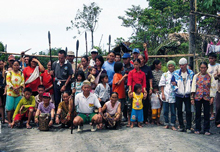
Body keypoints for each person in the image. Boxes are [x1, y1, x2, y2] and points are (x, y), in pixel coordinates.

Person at [191, 62, 216, 135]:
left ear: (207, 68)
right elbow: (193, 86)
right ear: (199, 68)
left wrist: (212, 97)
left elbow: (212, 87)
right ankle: (197, 128)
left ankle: (206, 129)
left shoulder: (210, 76)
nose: (203, 69)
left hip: (206, 96)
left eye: (204, 67)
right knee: (198, 113)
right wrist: (192, 97)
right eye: (201, 67)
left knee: (206, 113)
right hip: (198, 96)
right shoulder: (196, 76)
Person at [171, 58, 194, 133]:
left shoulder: (191, 73)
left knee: (188, 111)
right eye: (180, 65)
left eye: (183, 65)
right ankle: (181, 125)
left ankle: (188, 126)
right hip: (179, 95)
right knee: (179, 111)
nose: (181, 66)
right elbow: (172, 83)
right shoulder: (176, 73)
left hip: (187, 95)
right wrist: (177, 89)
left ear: (186, 64)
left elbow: (193, 84)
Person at [127, 59, 147, 126]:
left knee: (140, 106)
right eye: (134, 64)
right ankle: (130, 121)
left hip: (140, 92)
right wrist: (130, 91)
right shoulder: (131, 72)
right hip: (133, 91)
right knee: (130, 107)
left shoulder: (143, 73)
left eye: (137, 64)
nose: (135, 66)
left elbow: (144, 84)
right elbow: (129, 82)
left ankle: (139, 121)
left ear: (139, 64)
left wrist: (145, 92)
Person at [159, 60, 177, 131]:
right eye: (169, 66)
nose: (170, 67)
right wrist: (163, 94)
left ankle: (172, 124)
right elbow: (162, 85)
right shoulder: (165, 75)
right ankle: (166, 123)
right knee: (165, 110)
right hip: (166, 94)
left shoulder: (177, 74)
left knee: (173, 111)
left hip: (173, 94)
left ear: (174, 66)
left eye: (171, 66)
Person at [5, 60, 24, 125]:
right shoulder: (9, 73)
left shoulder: (21, 73)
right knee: (9, 108)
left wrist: (18, 88)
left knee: (17, 108)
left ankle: (15, 121)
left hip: (18, 93)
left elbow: (22, 82)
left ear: (19, 66)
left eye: (17, 65)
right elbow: (8, 82)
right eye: (15, 65)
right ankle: (9, 121)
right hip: (10, 93)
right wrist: (13, 88)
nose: (16, 66)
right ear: (12, 65)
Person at [138, 54, 153, 124]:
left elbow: (150, 79)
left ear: (144, 60)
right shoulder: (136, 68)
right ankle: (138, 119)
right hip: (137, 89)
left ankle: (145, 119)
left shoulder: (147, 68)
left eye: (141, 59)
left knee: (146, 103)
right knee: (137, 103)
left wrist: (150, 88)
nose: (140, 60)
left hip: (145, 88)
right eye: (139, 59)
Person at [122, 53, 134, 122]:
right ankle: (124, 116)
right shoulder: (122, 67)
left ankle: (131, 116)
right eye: (123, 59)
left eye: (126, 59)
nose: (124, 60)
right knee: (124, 102)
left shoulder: (132, 67)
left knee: (130, 102)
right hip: (123, 86)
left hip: (131, 86)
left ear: (129, 59)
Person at [207, 53, 219, 121]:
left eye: (212, 58)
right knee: (210, 100)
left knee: (217, 101)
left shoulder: (218, 66)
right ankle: (212, 113)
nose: (210, 60)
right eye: (209, 58)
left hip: (217, 85)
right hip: (209, 85)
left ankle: (217, 114)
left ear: (215, 59)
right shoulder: (207, 66)